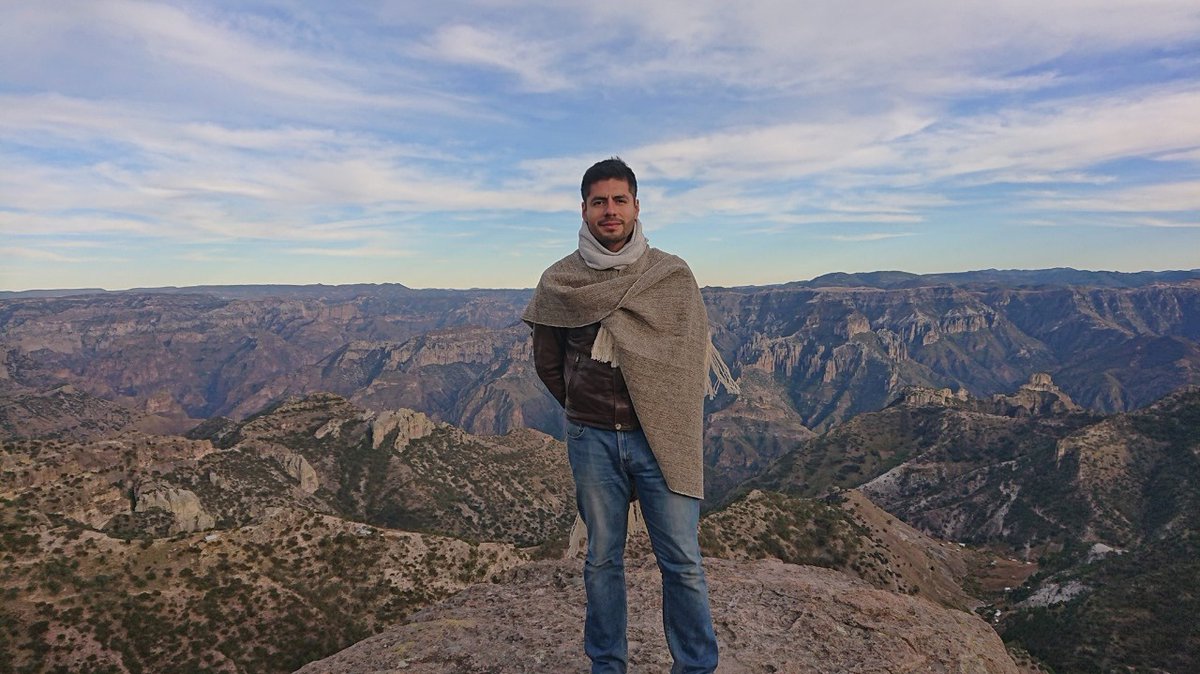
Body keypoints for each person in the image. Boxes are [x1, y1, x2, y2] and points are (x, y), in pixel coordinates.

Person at [523, 157, 735, 674]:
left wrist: (662, 409)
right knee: (601, 560)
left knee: (682, 560)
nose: (610, 211)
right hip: (592, 439)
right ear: (584, 210)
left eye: (619, 200)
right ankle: (607, 666)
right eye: (599, 202)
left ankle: (695, 667)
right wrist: (583, 407)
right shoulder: (561, 281)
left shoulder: (670, 275)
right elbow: (548, 364)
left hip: (661, 436)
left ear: (637, 206)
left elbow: (689, 357)